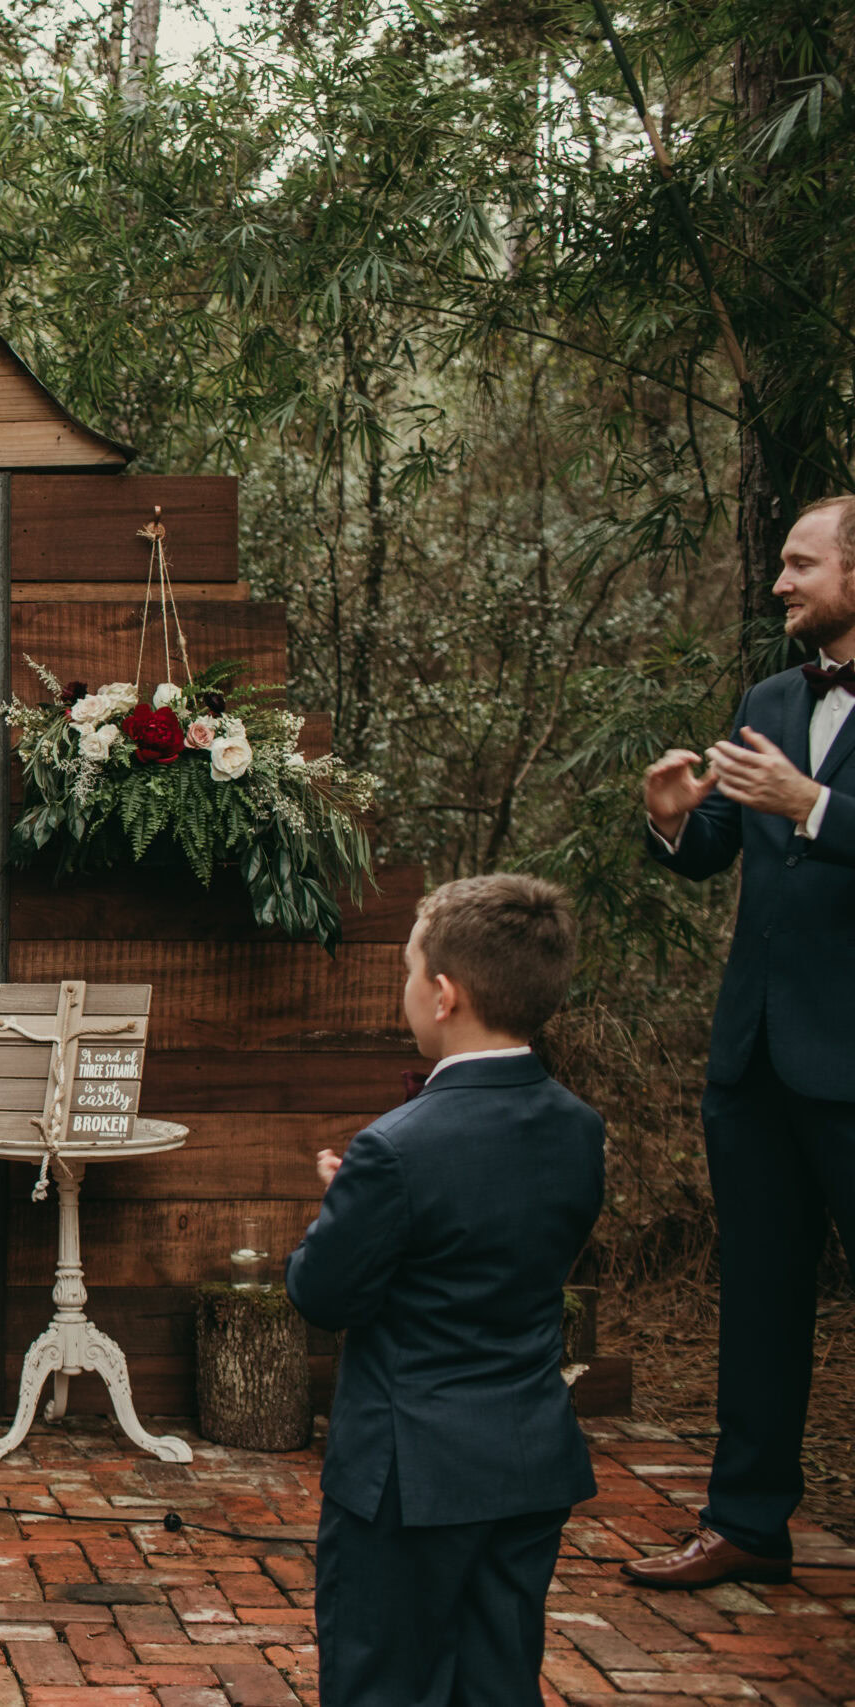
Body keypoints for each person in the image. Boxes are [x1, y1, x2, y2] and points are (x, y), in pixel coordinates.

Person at [288, 874, 602, 1707]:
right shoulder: (580, 1127)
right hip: (529, 1459)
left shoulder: (391, 1149)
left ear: (444, 993)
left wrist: (340, 1215)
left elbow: (324, 1294)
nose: (404, 989)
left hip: (407, 1478)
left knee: (380, 1685)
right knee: (499, 1683)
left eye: (406, 970)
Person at [629, 493, 855, 1589]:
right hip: (754, 1062)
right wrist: (673, 816)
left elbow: (805, 817)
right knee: (759, 1300)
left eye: (800, 565)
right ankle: (746, 1523)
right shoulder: (769, 693)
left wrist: (816, 803)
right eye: (780, 564)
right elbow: (719, 845)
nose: (779, 583)